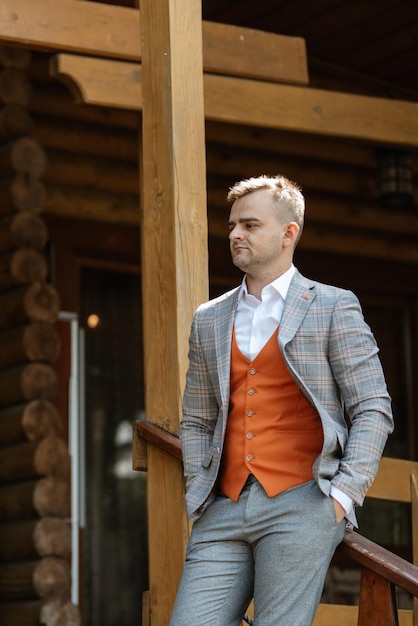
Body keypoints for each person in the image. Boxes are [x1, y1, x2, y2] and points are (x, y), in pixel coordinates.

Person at [169, 174, 394, 626]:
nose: (235, 234)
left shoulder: (332, 305)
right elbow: (195, 418)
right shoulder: (210, 318)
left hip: (303, 502)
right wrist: (199, 489)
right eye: (232, 225)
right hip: (224, 506)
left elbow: (373, 407)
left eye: (250, 225)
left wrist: (342, 496)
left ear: (289, 233)